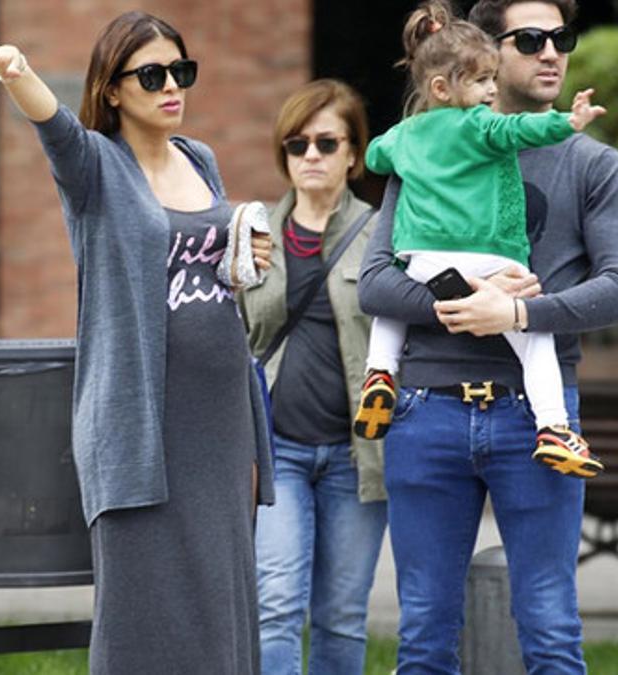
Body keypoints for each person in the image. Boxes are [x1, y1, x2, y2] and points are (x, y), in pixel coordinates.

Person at [0, 12, 275, 674]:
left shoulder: (200, 157)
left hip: (219, 418)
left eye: (180, 71)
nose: (171, 87)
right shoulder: (96, 168)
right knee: (142, 608)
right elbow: (55, 128)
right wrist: (19, 71)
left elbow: (203, 265)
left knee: (221, 590)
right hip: (140, 423)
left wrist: (245, 256)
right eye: (151, 75)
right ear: (115, 88)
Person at [357, 0, 618, 672]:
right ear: (482, 51)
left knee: (548, 624)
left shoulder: (591, 166)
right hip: (425, 410)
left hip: (535, 418)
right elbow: (374, 283)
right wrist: (465, 305)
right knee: (424, 630)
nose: (551, 52)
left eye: (561, 37)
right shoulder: (426, 143)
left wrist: (516, 316)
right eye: (531, 38)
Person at [353, 0, 606, 482]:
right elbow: (522, 128)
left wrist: (405, 149)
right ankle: (554, 429)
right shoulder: (481, 125)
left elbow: (375, 157)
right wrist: (566, 124)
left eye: (492, 78)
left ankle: (379, 373)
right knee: (534, 341)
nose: (491, 90)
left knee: (392, 308)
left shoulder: (406, 133)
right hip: (489, 261)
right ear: (444, 87)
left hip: (420, 257)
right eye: (481, 80)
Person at [238, 79, 387, 675]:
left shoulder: (384, 234)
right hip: (279, 454)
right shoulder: (252, 236)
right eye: (297, 145)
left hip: (358, 453)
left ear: (354, 154)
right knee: (276, 604)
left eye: (327, 143)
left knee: (343, 615)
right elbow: (233, 339)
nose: (311, 157)